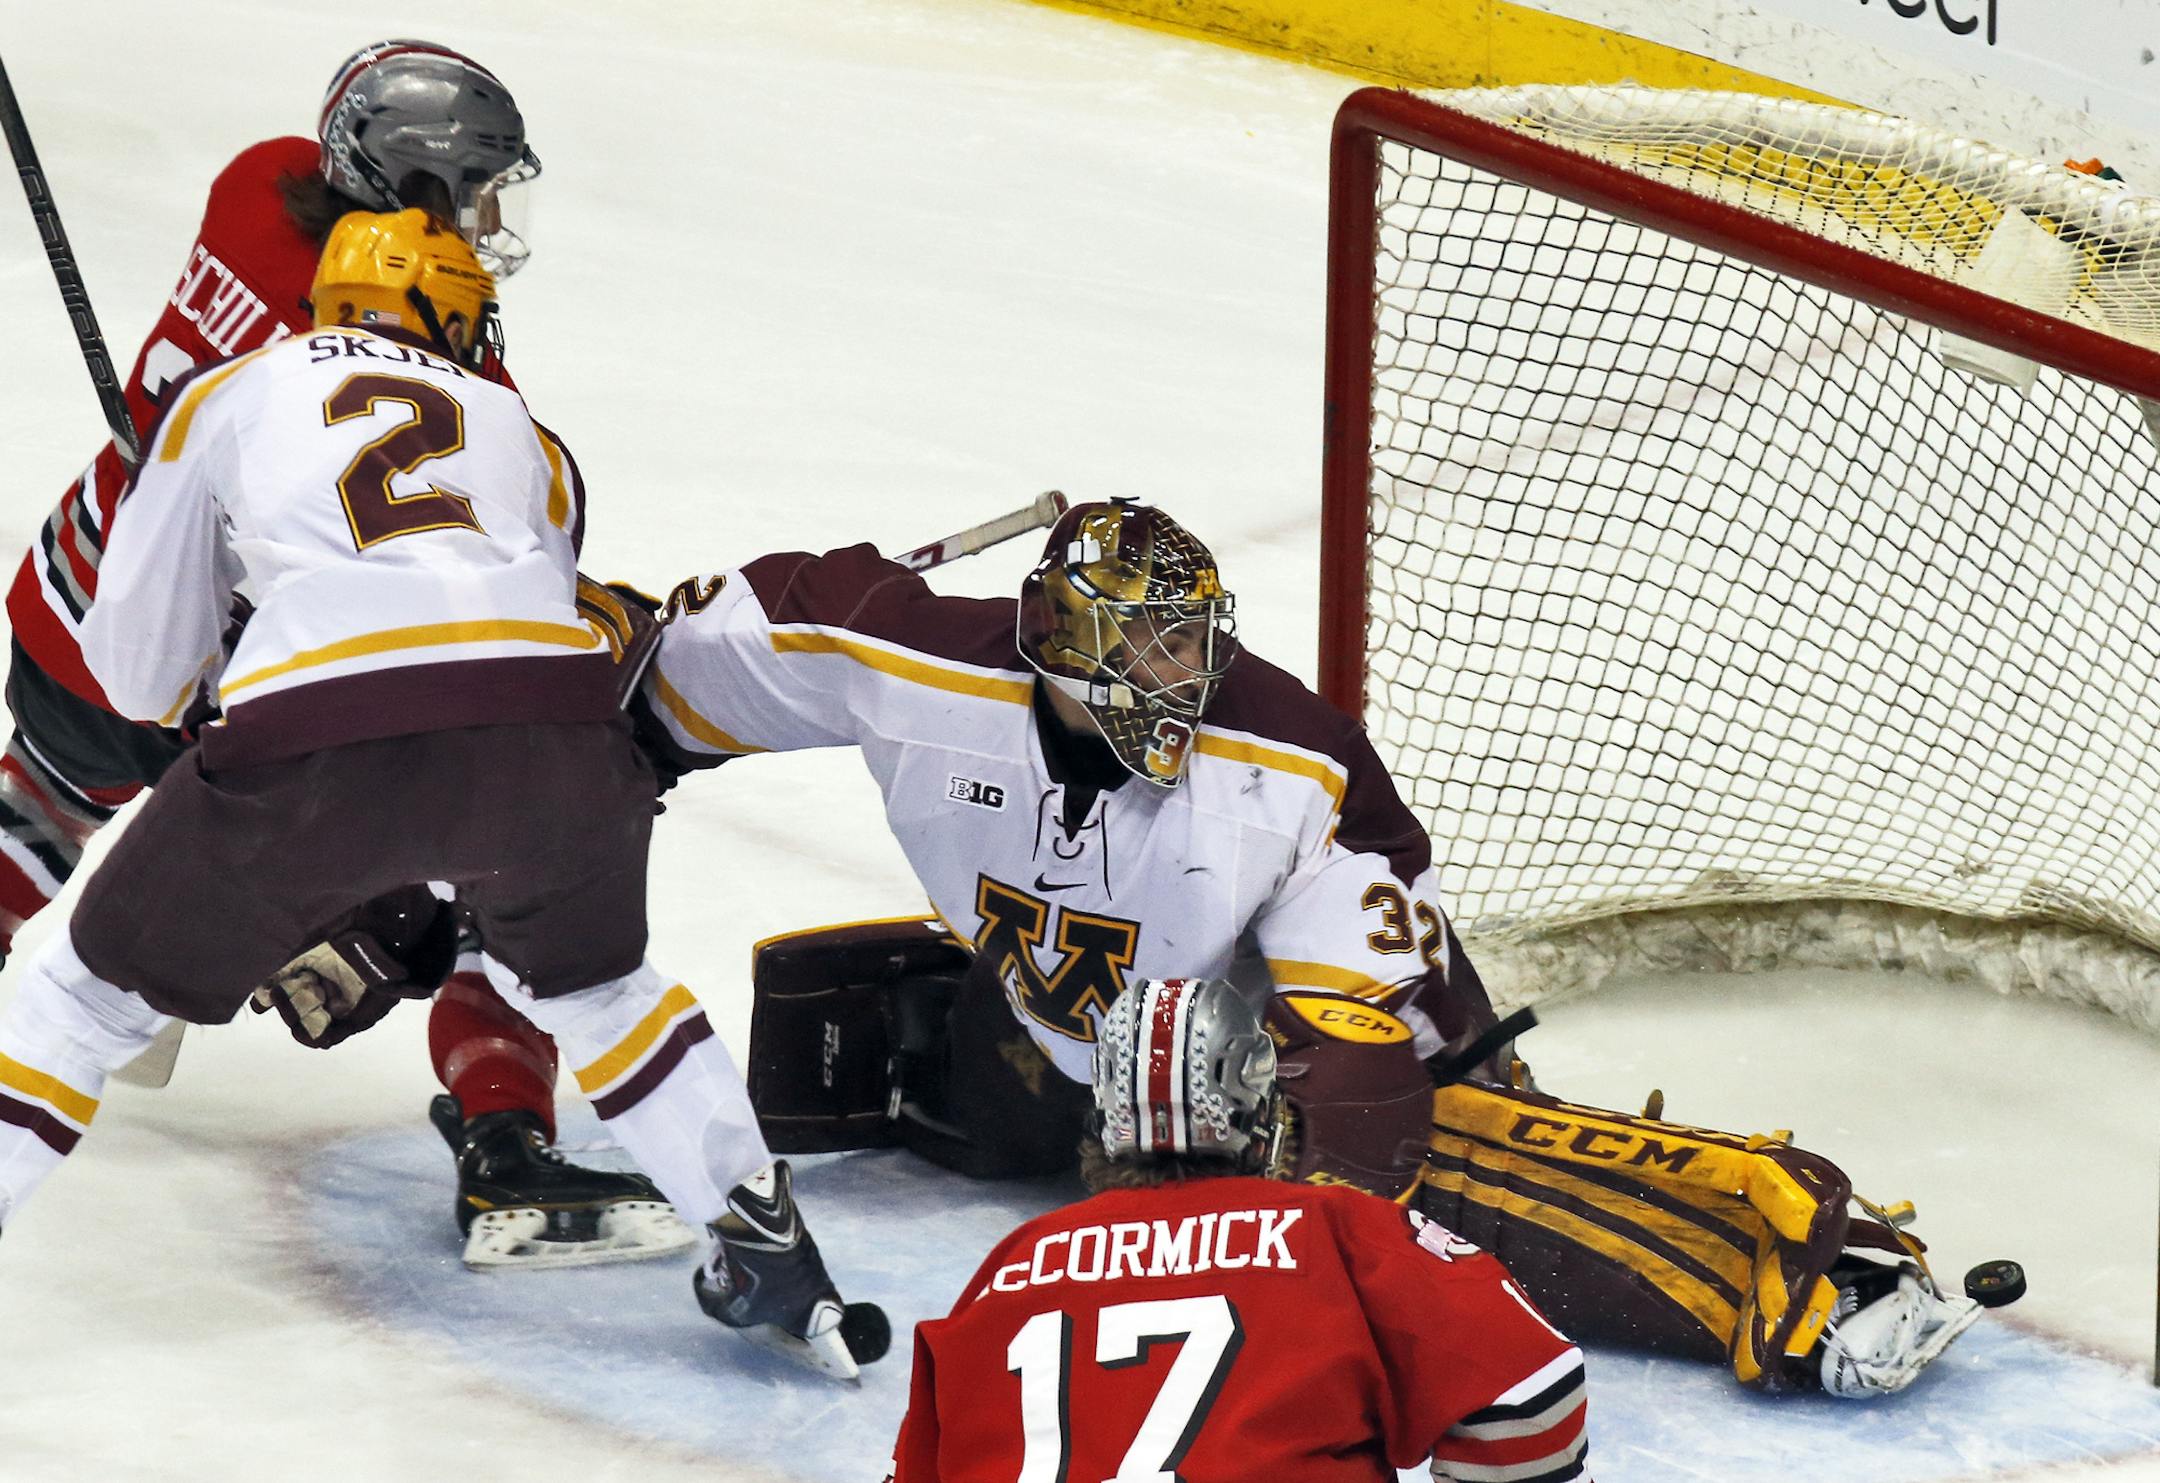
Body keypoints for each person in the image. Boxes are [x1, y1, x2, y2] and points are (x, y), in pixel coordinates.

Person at [626, 496, 2003, 1396]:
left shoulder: (1289, 761)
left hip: (1292, 1042)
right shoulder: (895, 654)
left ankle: (1820, 1262)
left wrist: (1304, 1244)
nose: (1187, 676)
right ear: (1061, 649)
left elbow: (1357, 1080)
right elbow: (671, 665)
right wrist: (570, 731)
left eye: (1195, 642)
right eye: (1151, 649)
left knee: (1441, 1183)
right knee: (932, 1092)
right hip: (1072, 1025)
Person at [0, 211, 887, 1381]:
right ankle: (767, 1246)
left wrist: (238, 668)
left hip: (321, 742)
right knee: (604, 989)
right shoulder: (528, 430)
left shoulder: (230, 392)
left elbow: (138, 671)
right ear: (447, 311)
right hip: (557, 754)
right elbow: (520, 617)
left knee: (76, 1002)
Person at [0, 37, 681, 1268]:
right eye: (472, 191)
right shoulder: (440, 351)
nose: (486, 220)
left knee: (32, 821)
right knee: (490, 865)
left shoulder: (257, 184)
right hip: (238, 672)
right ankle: (508, 1146)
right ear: (418, 188)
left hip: (82, 595)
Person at [884, 976, 1591, 1482]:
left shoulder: (1013, 1264)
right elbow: (1531, 1392)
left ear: (1103, 1119)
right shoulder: (1339, 1231)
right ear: (1263, 1116)